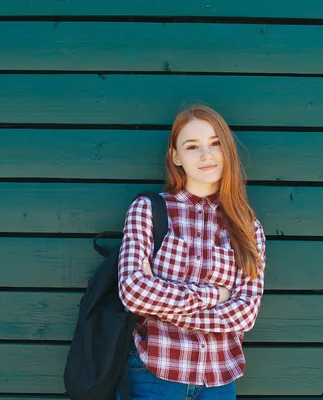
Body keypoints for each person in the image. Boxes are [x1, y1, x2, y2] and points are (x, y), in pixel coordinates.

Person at [117, 104, 266, 400]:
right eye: (192, 146)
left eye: (215, 144)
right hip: (155, 374)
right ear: (176, 156)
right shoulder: (148, 210)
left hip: (219, 381)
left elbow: (245, 315)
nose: (206, 155)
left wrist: (163, 307)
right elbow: (132, 291)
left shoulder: (248, 227)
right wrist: (215, 296)